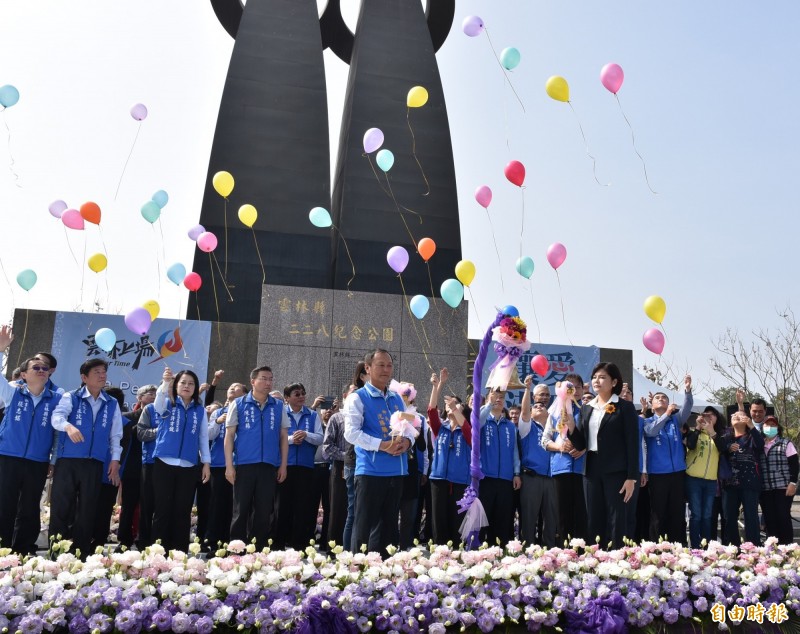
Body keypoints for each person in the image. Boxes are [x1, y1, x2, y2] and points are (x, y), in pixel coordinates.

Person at [343, 349, 415, 555]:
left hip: (397, 470)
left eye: (389, 365)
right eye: (380, 365)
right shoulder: (358, 397)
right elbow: (351, 433)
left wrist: (407, 443)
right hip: (371, 471)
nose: (386, 369)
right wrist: (382, 445)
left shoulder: (397, 399)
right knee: (364, 527)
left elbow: (409, 427)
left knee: (389, 528)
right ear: (367, 368)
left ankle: (386, 574)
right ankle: (358, 571)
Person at [50, 358, 122, 558]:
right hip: (68, 460)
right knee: (61, 507)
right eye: (97, 372)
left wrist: (115, 460)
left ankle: (81, 553)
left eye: (104, 372)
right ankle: (57, 553)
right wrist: (68, 426)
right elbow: (56, 417)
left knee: (88, 509)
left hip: (95, 463)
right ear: (84, 377)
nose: (102, 375)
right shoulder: (70, 397)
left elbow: (115, 434)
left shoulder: (111, 403)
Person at [564, 362, 638, 549]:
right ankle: (596, 558)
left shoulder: (625, 407)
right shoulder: (587, 408)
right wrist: (570, 422)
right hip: (591, 467)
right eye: (595, 377)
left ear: (614, 382)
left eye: (602, 377)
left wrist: (631, 477)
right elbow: (581, 443)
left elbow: (632, 443)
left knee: (616, 516)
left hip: (616, 470)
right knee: (593, 515)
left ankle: (616, 558)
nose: (597, 380)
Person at [0, 327, 59, 555]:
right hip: (8, 457)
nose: (42, 370)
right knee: (5, 505)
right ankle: (3, 550)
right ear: (24, 374)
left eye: (45, 368)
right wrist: (2, 350)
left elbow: (58, 432)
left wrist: (53, 459)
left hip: (37, 461)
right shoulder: (13, 393)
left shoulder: (56, 400)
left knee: (30, 508)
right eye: (36, 367)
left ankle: (23, 550)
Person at [225, 366, 289, 550]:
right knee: (240, 510)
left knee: (263, 511)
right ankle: (236, 551)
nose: (268, 382)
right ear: (253, 381)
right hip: (244, 465)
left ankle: (258, 551)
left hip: (269, 465)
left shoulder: (278, 406)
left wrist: (283, 465)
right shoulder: (238, 404)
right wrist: (229, 466)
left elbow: (283, 437)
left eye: (270, 379)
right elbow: (229, 436)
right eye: (264, 378)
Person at [151, 368, 211, 552]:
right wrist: (165, 382)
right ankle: (158, 553)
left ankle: (179, 552)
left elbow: (203, 438)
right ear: (176, 385)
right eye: (183, 382)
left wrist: (206, 463)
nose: (187, 386)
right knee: (162, 509)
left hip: (188, 465)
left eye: (191, 383)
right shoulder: (167, 404)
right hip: (164, 463)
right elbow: (157, 405)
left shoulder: (199, 410)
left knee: (183, 510)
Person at [641, 376, 693, 544]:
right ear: (652, 405)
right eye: (658, 398)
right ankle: (656, 547)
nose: (661, 399)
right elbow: (652, 432)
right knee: (658, 513)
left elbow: (687, 408)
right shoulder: (647, 421)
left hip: (677, 473)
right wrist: (668, 413)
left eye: (664, 397)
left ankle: (678, 546)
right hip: (657, 475)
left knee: (677, 512)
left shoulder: (675, 421)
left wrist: (687, 391)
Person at [274, 383, 324, 549]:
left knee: (302, 506)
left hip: (305, 466)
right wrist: (290, 440)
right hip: (284, 465)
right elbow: (273, 437)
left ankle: (299, 544)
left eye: (303, 393)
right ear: (287, 398)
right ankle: (279, 543)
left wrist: (306, 435)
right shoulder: (280, 414)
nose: (301, 397)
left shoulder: (312, 414)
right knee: (282, 505)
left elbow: (319, 438)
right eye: (297, 394)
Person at [427, 368, 472, 545]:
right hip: (438, 479)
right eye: (449, 405)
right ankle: (439, 554)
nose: (452, 406)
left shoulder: (467, 430)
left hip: (460, 481)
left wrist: (455, 408)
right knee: (439, 521)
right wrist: (438, 386)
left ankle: (458, 556)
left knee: (458, 521)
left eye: (456, 404)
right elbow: (431, 410)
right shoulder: (440, 428)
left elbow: (467, 429)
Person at [541, 374, 587, 541]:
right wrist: (559, 446)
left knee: (582, 515)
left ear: (583, 390)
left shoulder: (589, 411)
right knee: (563, 515)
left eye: (577, 387)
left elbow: (598, 439)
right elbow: (545, 441)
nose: (573, 391)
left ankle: (584, 555)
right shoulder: (554, 413)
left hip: (584, 470)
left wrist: (584, 449)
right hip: (561, 468)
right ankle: (563, 555)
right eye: (570, 387)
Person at [205, 381, 246, 550]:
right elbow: (208, 434)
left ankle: (233, 543)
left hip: (240, 465)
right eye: (230, 387)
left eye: (236, 387)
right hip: (219, 465)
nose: (231, 388)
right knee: (216, 506)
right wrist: (217, 422)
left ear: (244, 394)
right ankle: (213, 542)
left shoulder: (246, 412)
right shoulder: (218, 412)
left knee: (235, 507)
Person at [478, 388, 521, 546]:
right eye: (495, 396)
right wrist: (489, 404)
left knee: (502, 518)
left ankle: (499, 551)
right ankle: (479, 552)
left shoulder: (510, 426)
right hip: (485, 478)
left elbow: (515, 451)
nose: (498, 399)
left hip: (505, 478)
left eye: (501, 397)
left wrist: (516, 473)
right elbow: (477, 421)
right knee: (483, 517)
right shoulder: (483, 421)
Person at [519, 374, 557, 547]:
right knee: (529, 518)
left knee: (552, 518)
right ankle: (527, 551)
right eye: (537, 402)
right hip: (532, 478)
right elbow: (525, 412)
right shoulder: (527, 427)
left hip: (552, 479)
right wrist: (527, 389)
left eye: (546, 396)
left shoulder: (555, 428)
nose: (541, 403)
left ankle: (550, 551)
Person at [117, 384, 156, 548]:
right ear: (139, 398)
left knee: (148, 506)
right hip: (131, 468)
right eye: (149, 393)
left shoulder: (160, 418)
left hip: (152, 467)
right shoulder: (127, 416)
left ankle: (144, 540)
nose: (153, 396)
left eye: (156, 393)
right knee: (128, 506)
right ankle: (124, 540)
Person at [684, 406, 726, 548]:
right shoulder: (694, 432)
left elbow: (723, 449)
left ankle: (706, 547)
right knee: (696, 514)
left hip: (711, 481)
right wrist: (697, 427)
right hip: (693, 479)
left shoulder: (719, 435)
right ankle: (695, 547)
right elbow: (690, 444)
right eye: (705, 415)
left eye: (712, 415)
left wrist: (712, 432)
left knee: (708, 515)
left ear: (716, 418)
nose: (708, 417)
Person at [721, 411, 764, 546]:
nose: (735, 416)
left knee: (751, 517)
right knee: (729, 518)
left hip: (750, 483)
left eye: (740, 416)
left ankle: (753, 548)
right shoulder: (727, 437)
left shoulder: (752, 436)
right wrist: (727, 448)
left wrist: (751, 426)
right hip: (729, 484)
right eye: (733, 415)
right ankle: (732, 548)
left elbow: (761, 445)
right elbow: (719, 448)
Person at [322, 384, 355, 548]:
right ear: (345, 396)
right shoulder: (337, 418)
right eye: (353, 392)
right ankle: (334, 547)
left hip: (362, 468)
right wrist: (347, 457)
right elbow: (327, 446)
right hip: (340, 467)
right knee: (338, 508)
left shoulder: (364, 417)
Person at [759, 415, 798, 544]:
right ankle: (772, 550)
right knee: (770, 519)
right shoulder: (759, 444)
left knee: (783, 517)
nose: (770, 427)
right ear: (762, 427)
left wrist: (793, 483)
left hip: (783, 488)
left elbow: (794, 464)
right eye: (767, 425)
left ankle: (787, 548)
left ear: (777, 427)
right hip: (765, 489)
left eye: (773, 425)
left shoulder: (786, 443)